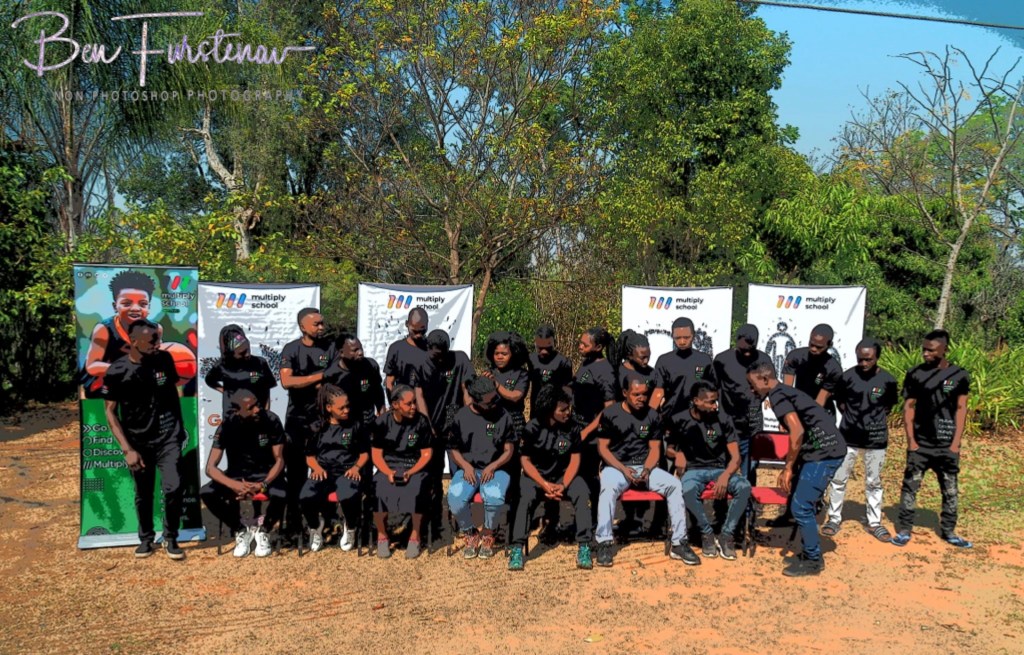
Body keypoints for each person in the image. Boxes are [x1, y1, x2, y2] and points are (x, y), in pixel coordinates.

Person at [746, 361, 847, 577]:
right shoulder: (783, 392)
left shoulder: (777, 395)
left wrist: (788, 467)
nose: (751, 389)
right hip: (820, 450)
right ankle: (807, 547)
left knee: (802, 506)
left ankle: (813, 560)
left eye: (752, 384)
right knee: (798, 501)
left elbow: (797, 431)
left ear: (765, 379)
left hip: (825, 453)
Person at [594, 374, 699, 567]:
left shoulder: (653, 416)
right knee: (608, 488)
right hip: (617, 467)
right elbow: (603, 448)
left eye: (644, 394)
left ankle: (679, 543)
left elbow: (654, 449)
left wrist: (648, 469)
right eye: (636, 394)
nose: (641, 398)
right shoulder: (610, 413)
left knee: (674, 485)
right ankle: (604, 542)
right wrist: (623, 469)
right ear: (625, 393)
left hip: (644, 467)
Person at [102, 319, 187, 560]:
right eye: (151, 341)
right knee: (144, 492)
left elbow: (174, 393)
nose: (157, 344)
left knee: (174, 487)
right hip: (137, 442)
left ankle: (171, 537)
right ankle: (146, 538)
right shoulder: (117, 371)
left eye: (157, 339)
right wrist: (127, 449)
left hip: (168, 437)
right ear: (134, 341)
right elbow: (110, 412)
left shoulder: (164, 360)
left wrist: (178, 428)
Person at [893, 330, 972, 549]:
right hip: (920, 444)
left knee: (950, 489)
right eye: (924, 349)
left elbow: (961, 408)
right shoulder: (915, 373)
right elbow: (909, 407)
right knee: (910, 486)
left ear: (945, 349)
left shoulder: (959, 375)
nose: (926, 353)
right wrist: (911, 441)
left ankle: (949, 531)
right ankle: (904, 529)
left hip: (947, 444)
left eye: (931, 350)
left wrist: (955, 443)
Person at [509, 385, 593, 571]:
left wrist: (563, 484)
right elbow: (526, 461)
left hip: (564, 476)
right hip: (537, 477)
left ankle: (584, 546)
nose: (568, 413)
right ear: (549, 410)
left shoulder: (573, 427)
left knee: (582, 491)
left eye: (568, 408)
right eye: (563, 410)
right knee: (525, 497)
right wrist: (544, 484)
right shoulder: (532, 428)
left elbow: (575, 459)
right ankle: (517, 548)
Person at [665, 381, 751, 561]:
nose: (715, 406)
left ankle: (726, 535)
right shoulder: (679, 419)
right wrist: (677, 454)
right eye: (711, 402)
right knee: (687, 489)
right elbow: (669, 449)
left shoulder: (724, 419)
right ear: (696, 401)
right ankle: (707, 533)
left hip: (720, 469)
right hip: (693, 470)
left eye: (716, 401)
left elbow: (736, 457)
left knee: (744, 487)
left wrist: (726, 476)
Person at [822, 339, 898, 542]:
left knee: (874, 481)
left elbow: (888, 407)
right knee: (839, 479)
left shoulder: (888, 380)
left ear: (877, 357)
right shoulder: (847, 377)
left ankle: (874, 523)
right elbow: (840, 402)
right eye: (860, 359)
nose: (863, 363)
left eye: (868, 359)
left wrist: (873, 422)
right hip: (848, 437)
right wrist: (852, 420)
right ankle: (833, 519)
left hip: (876, 439)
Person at [200, 389, 286, 558]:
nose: (257, 410)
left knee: (282, 493)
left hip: (266, 475)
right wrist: (235, 485)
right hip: (237, 476)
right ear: (237, 411)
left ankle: (264, 530)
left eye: (257, 404)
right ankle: (240, 529)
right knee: (207, 492)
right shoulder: (227, 425)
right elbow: (210, 467)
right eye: (251, 408)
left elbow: (279, 460)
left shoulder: (271, 420)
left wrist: (263, 484)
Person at [411, 329, 473, 542]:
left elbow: (466, 390)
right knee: (433, 477)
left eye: (441, 355)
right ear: (428, 349)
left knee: (459, 474)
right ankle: (436, 521)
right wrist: (427, 425)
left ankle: (461, 520)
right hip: (432, 428)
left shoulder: (460, 359)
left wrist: (467, 419)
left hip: (456, 428)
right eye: (434, 355)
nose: (438, 359)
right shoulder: (420, 363)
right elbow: (418, 395)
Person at [280, 308, 337, 539]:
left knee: (325, 471)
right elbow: (287, 380)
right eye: (316, 324)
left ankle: (327, 520)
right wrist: (318, 377)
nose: (321, 327)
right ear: (303, 327)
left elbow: (334, 378)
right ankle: (293, 524)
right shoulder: (291, 349)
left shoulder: (330, 348)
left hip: (323, 421)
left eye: (323, 323)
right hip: (297, 422)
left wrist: (305, 381)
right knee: (295, 474)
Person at [447, 376, 517, 560]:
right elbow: (453, 449)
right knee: (455, 498)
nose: (495, 402)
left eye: (495, 398)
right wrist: (465, 466)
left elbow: (509, 450)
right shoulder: (461, 417)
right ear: (476, 401)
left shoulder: (503, 415)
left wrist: (493, 466)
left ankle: (488, 532)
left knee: (494, 497)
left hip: (497, 468)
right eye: (489, 401)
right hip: (469, 468)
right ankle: (470, 532)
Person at [301, 384, 371, 553]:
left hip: (347, 470)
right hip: (323, 471)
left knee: (348, 494)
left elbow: (364, 454)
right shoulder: (317, 428)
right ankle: (315, 527)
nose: (346, 410)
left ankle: (350, 527)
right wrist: (316, 468)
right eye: (342, 408)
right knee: (305, 496)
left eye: (347, 406)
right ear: (329, 408)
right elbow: (309, 456)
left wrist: (356, 468)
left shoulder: (355, 425)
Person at [371, 385, 434, 559]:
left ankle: (415, 535)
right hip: (389, 465)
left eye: (414, 402)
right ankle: (382, 535)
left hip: (414, 466)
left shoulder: (421, 421)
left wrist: (411, 472)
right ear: (395, 405)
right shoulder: (382, 422)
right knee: (378, 487)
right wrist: (387, 472)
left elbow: (426, 453)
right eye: (409, 403)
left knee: (418, 487)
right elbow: (376, 454)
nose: (414, 406)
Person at [712, 324, 772, 482]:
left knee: (749, 470)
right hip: (727, 423)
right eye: (743, 349)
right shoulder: (722, 360)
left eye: (750, 350)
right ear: (736, 341)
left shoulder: (764, 360)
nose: (747, 354)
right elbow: (712, 387)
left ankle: (748, 498)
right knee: (723, 470)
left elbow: (770, 386)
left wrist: (758, 398)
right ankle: (722, 498)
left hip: (752, 424)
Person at [82, 270, 157, 396]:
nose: (135, 308)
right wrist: (130, 369)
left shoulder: (155, 329)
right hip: (103, 381)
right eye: (127, 303)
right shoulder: (104, 329)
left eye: (143, 304)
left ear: (149, 307)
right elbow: (92, 366)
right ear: (114, 306)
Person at [650, 317, 717, 418]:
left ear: (693, 335)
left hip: (699, 418)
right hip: (671, 418)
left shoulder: (704, 360)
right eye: (678, 338)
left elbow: (713, 388)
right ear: (672, 336)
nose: (682, 341)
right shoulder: (664, 361)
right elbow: (658, 391)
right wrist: (649, 416)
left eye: (686, 337)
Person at [204, 324, 277, 413]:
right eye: (242, 353)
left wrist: (266, 413)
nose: (247, 354)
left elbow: (266, 390)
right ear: (230, 352)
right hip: (233, 416)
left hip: (257, 415)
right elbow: (209, 380)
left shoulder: (260, 363)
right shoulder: (222, 365)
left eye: (248, 350)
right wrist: (224, 391)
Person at [322, 332, 386, 425]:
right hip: (346, 425)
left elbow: (378, 392)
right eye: (355, 350)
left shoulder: (371, 365)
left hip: (368, 422)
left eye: (361, 348)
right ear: (341, 353)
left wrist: (382, 414)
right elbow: (326, 405)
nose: (360, 353)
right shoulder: (331, 375)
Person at [782, 323, 843, 416]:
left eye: (819, 347)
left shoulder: (834, 369)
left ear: (830, 345)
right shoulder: (795, 356)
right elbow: (787, 390)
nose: (813, 349)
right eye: (811, 344)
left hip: (822, 412)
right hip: (798, 406)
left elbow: (820, 401)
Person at [482, 330, 530, 436]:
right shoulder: (488, 373)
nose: (500, 357)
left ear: (513, 353)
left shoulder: (521, 374)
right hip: (493, 423)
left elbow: (515, 397)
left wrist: (496, 385)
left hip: (514, 423)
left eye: (504, 354)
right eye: (496, 353)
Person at [527, 325, 574, 414]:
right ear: (535, 343)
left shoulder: (564, 362)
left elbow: (568, 391)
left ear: (554, 343)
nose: (544, 352)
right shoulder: (531, 360)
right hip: (535, 413)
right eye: (540, 348)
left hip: (555, 414)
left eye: (548, 348)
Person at [383, 307, 429, 392]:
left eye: (422, 331)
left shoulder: (432, 349)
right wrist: (394, 399)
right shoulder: (396, 349)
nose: (419, 335)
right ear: (407, 324)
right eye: (415, 331)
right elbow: (389, 382)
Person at [615, 330, 655, 395]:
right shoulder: (617, 375)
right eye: (642, 358)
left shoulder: (652, 373)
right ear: (629, 355)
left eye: (648, 356)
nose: (646, 361)